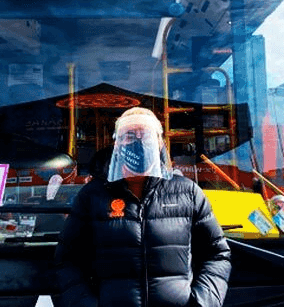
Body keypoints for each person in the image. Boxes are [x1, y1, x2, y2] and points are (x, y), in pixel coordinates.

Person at [54, 107, 231, 307]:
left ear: (159, 143)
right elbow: (68, 260)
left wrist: (202, 303)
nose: (138, 142)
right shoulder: (92, 196)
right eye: (129, 136)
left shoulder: (187, 192)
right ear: (117, 144)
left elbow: (216, 254)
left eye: (145, 135)